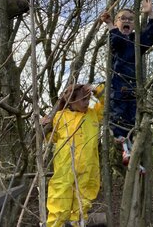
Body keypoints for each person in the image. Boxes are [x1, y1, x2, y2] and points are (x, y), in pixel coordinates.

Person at [100, 0, 153, 165]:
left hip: (134, 87)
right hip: (118, 86)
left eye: (130, 19)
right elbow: (117, 40)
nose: (126, 21)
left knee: (133, 120)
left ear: (134, 24)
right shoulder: (115, 39)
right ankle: (123, 146)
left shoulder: (136, 41)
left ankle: (133, 156)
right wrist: (110, 24)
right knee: (118, 119)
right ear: (117, 22)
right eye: (122, 18)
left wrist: (151, 14)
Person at [46, 83, 105, 227]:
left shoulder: (93, 114)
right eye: (83, 99)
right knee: (59, 203)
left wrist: (96, 90)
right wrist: (43, 126)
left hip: (87, 170)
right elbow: (50, 138)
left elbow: (108, 98)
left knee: (81, 207)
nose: (86, 102)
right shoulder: (60, 117)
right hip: (64, 169)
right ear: (71, 101)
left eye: (88, 99)